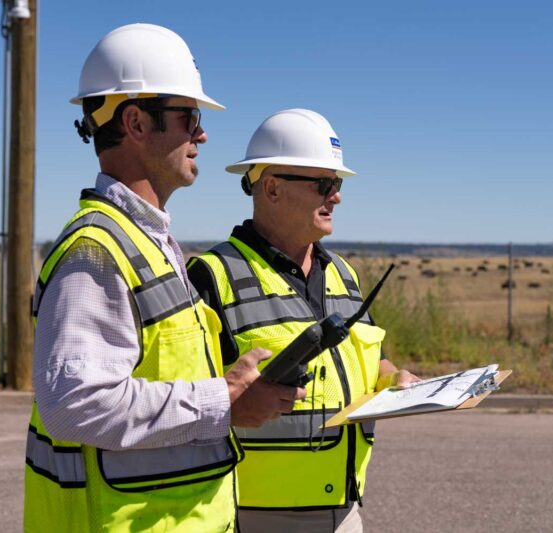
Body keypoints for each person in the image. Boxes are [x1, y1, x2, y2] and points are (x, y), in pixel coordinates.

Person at [23, 25, 304, 533]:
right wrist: (226, 400)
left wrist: (239, 385)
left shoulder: (148, 243)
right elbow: (75, 405)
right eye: (189, 117)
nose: (202, 134)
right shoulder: (97, 251)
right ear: (134, 122)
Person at [187, 109, 419, 532]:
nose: (336, 197)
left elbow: (374, 362)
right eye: (324, 184)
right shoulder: (211, 276)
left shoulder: (344, 275)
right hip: (249, 517)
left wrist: (395, 380)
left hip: (345, 512)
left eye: (338, 184)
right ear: (272, 187)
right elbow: (184, 404)